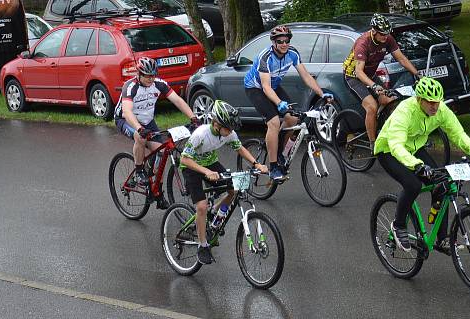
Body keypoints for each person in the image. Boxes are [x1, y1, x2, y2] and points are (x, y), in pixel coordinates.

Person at [374, 77, 470, 253]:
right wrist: (417, 165)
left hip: (414, 148)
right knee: (413, 184)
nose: (435, 106)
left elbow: (457, 133)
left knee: (442, 184)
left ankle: (442, 239)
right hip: (389, 150)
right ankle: (399, 225)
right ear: (419, 100)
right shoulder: (405, 110)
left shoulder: (440, 110)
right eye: (430, 102)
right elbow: (396, 145)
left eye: (437, 102)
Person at [180, 100, 267, 264]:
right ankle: (202, 245)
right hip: (191, 166)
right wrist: (206, 172)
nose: (231, 132)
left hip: (211, 164)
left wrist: (256, 164)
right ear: (216, 124)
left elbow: (240, 148)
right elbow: (184, 159)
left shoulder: (229, 133)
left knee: (233, 190)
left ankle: (216, 217)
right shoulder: (200, 134)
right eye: (228, 128)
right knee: (201, 206)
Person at [243, 25, 334, 182]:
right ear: (273, 42)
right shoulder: (265, 57)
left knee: (292, 119)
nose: (284, 44)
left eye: (287, 40)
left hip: (275, 86)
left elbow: (306, 76)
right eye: (280, 41)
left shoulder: (292, 53)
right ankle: (273, 167)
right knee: (273, 122)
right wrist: (279, 103)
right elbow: (265, 87)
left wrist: (321, 93)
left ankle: (279, 151)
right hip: (256, 88)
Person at [114, 57, 199, 206]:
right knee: (140, 137)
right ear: (139, 74)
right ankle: (139, 170)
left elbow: (177, 100)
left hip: (148, 121)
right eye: (147, 75)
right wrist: (139, 129)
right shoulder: (130, 86)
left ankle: (157, 191)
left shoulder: (159, 84)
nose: (150, 78)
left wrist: (193, 117)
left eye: (153, 75)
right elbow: (127, 112)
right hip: (126, 120)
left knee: (163, 150)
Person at [343, 13, 419, 148]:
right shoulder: (363, 43)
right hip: (354, 77)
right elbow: (359, 72)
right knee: (371, 106)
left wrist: (417, 74)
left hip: (370, 75)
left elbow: (401, 58)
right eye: (382, 34)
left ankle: (384, 127)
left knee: (389, 101)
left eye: (387, 34)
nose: (385, 37)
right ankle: (373, 144)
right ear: (374, 31)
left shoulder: (387, 39)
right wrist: (373, 86)